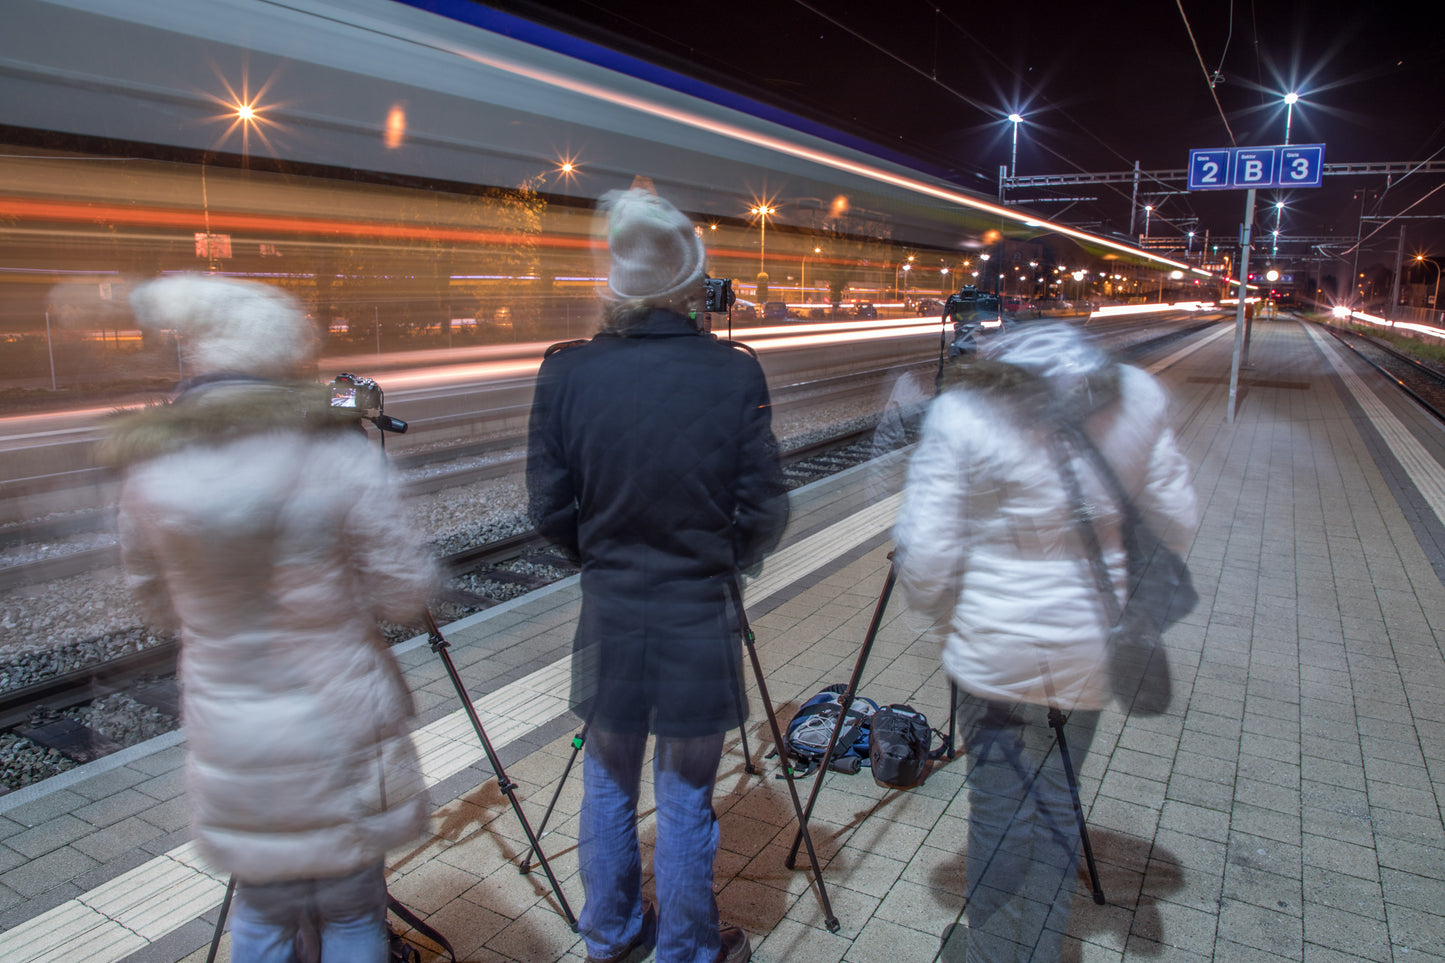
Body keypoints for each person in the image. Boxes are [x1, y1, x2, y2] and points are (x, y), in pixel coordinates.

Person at [106, 275, 438, 963]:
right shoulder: (336, 454)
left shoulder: (152, 468)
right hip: (339, 723)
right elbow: (407, 589)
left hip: (232, 730)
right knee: (351, 914)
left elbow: (151, 598)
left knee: (261, 916)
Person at [526, 187, 789, 963]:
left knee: (608, 778)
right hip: (696, 607)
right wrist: (718, 560)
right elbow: (763, 507)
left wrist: (602, 557)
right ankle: (687, 948)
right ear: (688, 284)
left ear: (615, 284)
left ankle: (608, 932)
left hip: (611, 606)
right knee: (685, 792)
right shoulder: (731, 373)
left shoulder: (568, 373)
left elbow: (548, 504)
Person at [892, 324, 1197, 963]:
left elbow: (925, 564)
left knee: (1000, 812)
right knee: (1056, 804)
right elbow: (1176, 517)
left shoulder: (963, 412)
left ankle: (990, 955)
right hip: (1088, 652)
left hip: (993, 656)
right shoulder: (1137, 397)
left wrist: (945, 611)